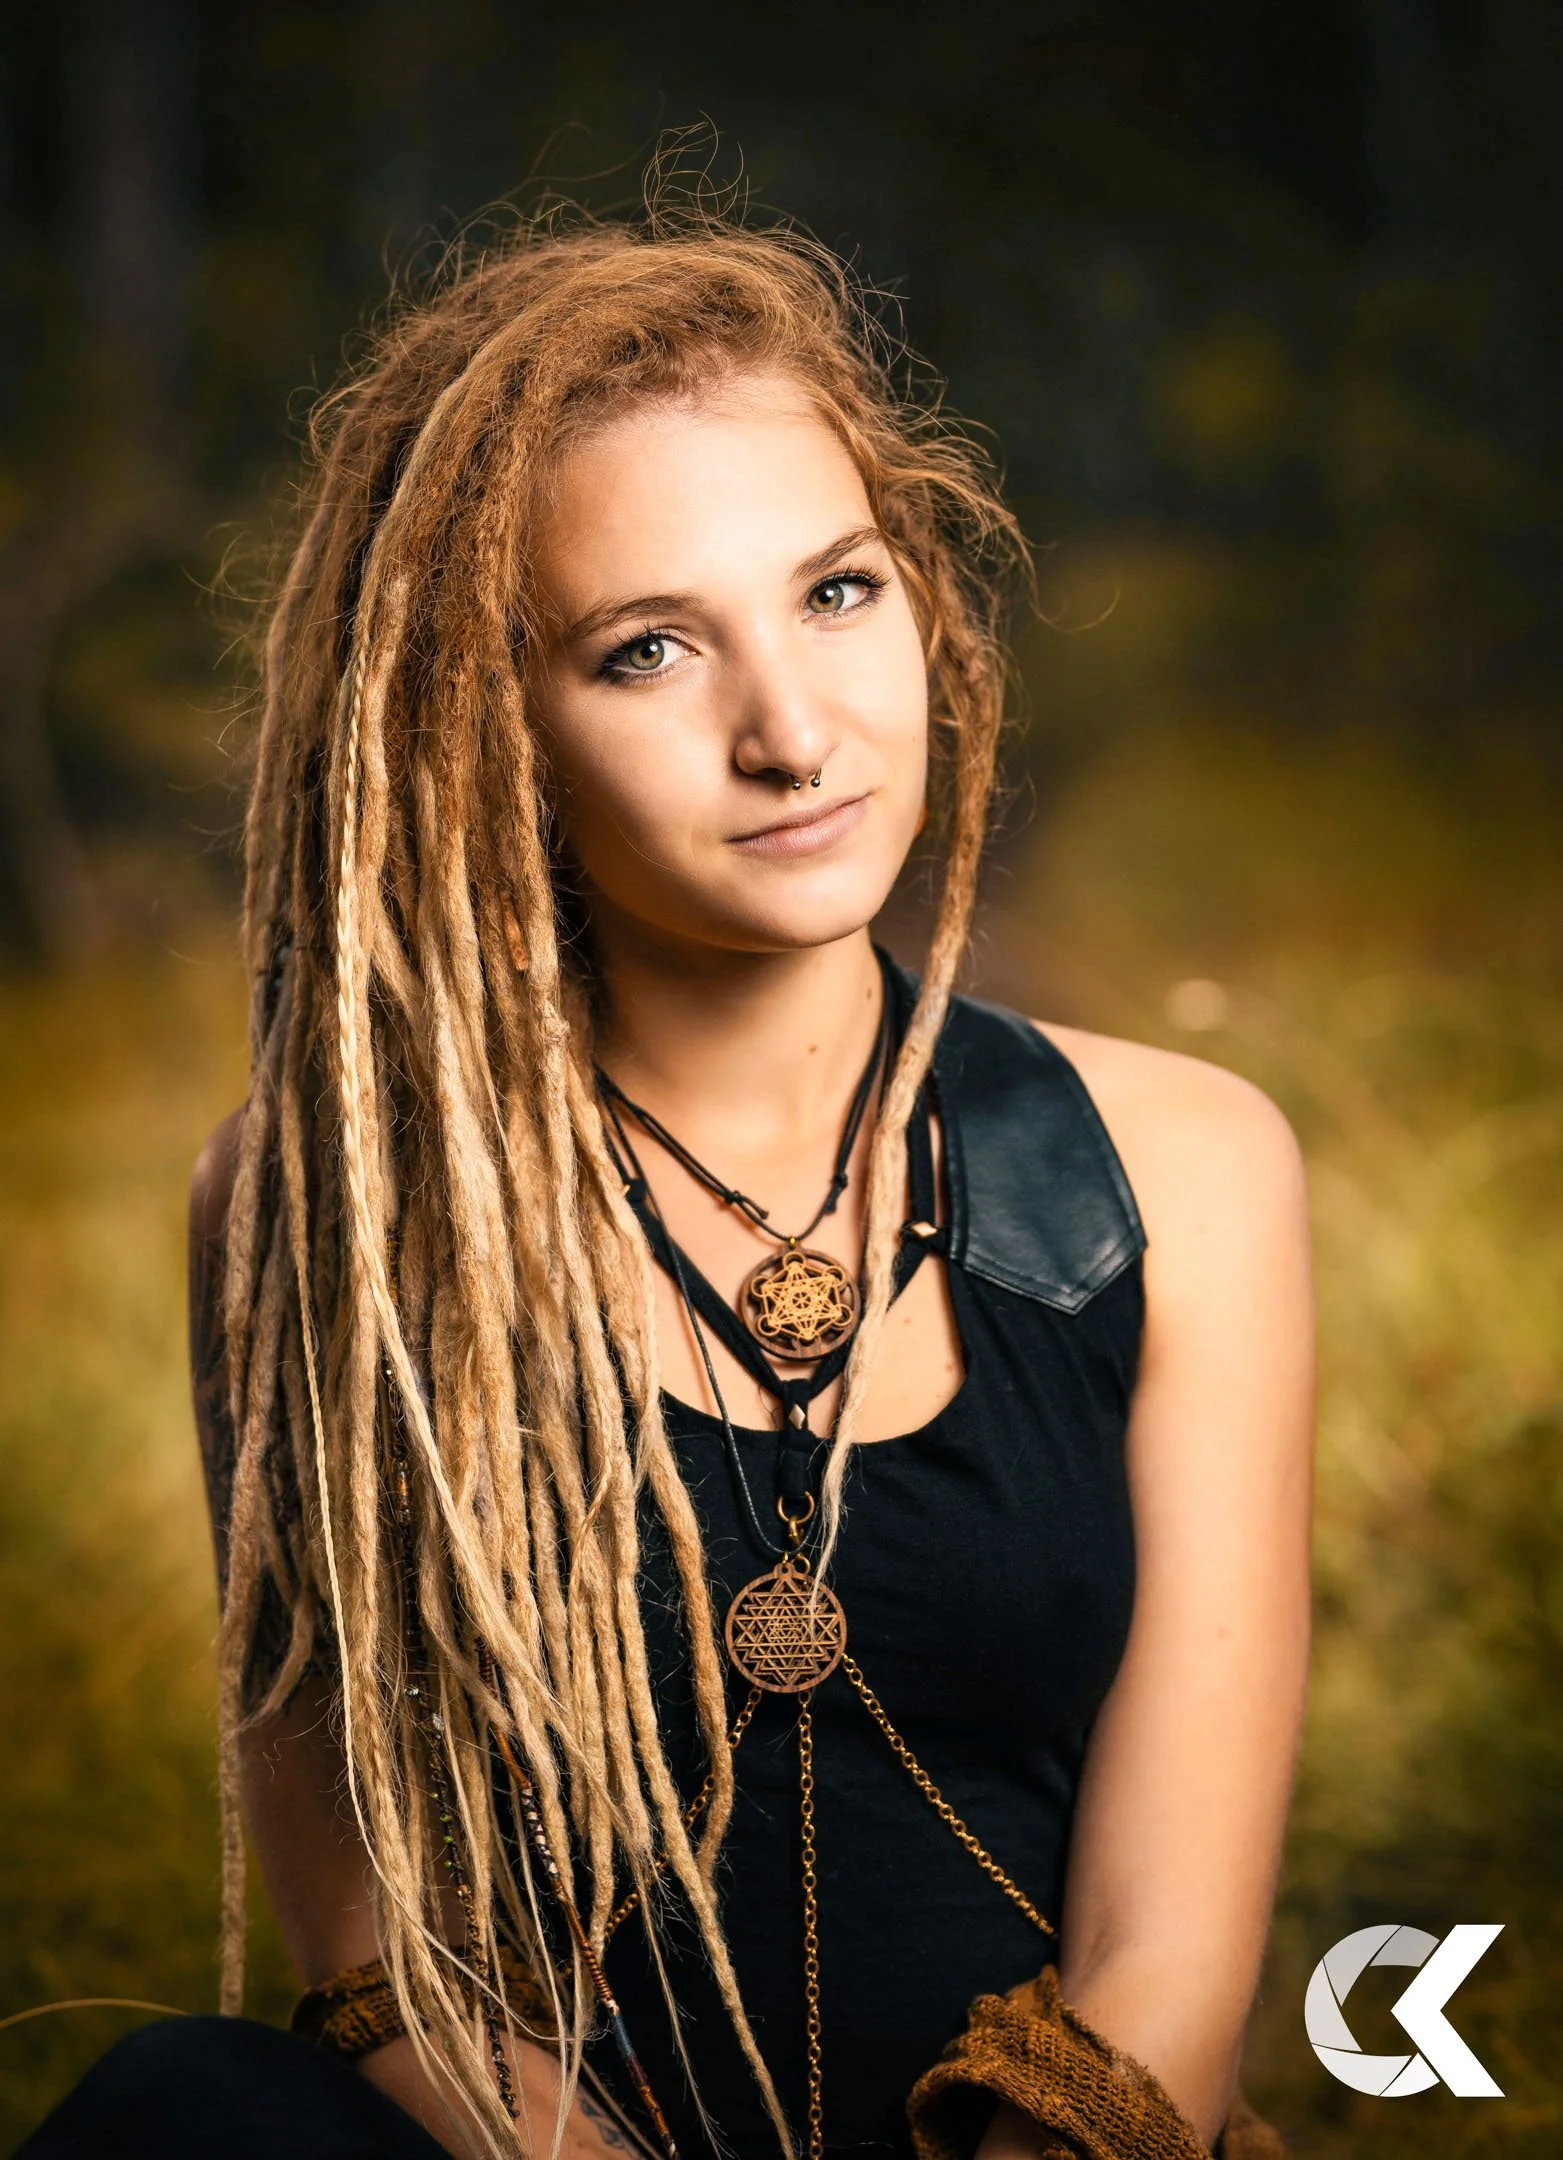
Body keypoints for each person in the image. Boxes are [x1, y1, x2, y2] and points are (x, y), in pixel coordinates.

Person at [21, 198, 1312, 2160]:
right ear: (483, 728)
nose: (791, 733)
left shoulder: (1184, 1169)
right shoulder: (322, 1206)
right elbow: (381, 1944)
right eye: (647, 651)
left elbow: (1171, 1965)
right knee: (184, 2113)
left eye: (836, 593)